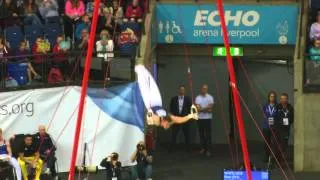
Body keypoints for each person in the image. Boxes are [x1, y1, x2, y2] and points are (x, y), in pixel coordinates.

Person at [169, 85, 192, 151]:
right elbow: (171, 109)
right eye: (180, 89)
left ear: (184, 91)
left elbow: (190, 109)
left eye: (183, 90)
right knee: (174, 133)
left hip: (185, 118)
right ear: (178, 90)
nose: (182, 91)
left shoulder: (188, 99)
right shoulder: (174, 99)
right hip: (176, 118)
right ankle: (173, 148)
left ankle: (188, 148)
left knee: (187, 134)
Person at [273, 93, 294, 165]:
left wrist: (287, 122)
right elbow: (275, 117)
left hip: (285, 130)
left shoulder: (290, 108)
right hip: (278, 129)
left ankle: (281, 159)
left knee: (283, 145)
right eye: (282, 99)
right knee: (276, 145)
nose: (283, 100)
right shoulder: (277, 107)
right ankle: (277, 160)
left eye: (284, 98)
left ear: (287, 99)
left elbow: (292, 118)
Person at [195, 84, 214, 156]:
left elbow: (211, 108)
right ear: (201, 89)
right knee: (201, 134)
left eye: (205, 89)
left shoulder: (210, 97)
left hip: (208, 119)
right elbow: (197, 109)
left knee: (208, 135)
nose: (204, 90)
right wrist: (206, 108)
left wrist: (201, 109)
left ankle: (208, 150)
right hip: (200, 119)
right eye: (203, 88)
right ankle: (203, 148)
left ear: (207, 89)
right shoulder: (198, 98)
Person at [262, 91, 277, 162]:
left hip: (274, 127)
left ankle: (273, 157)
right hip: (266, 127)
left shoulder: (277, 106)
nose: (272, 98)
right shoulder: (265, 106)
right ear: (269, 97)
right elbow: (264, 114)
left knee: (274, 143)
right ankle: (266, 156)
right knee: (267, 142)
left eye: (273, 96)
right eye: (271, 96)